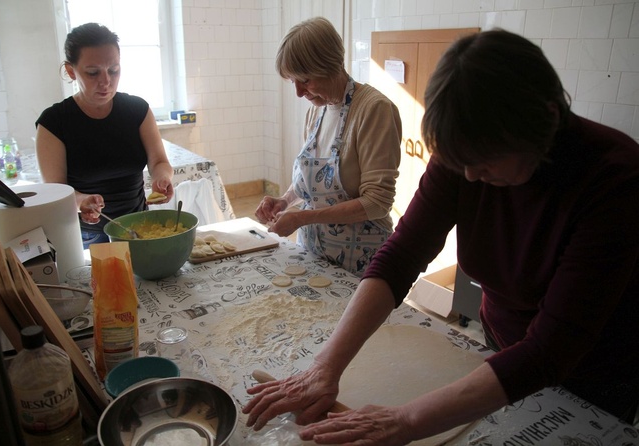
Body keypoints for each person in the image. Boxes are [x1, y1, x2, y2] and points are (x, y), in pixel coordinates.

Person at [243, 29, 639, 444]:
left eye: (480, 163)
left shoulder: (614, 178)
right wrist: (325, 367)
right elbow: (401, 255)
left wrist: (407, 421)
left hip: (590, 373)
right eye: (459, 163)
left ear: (545, 121)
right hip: (499, 346)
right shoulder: (468, 151)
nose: (469, 176)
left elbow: (552, 349)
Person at [254, 17, 402, 275]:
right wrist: (286, 200)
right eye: (293, 82)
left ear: (330, 65)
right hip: (314, 252)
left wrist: (303, 218)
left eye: (306, 80)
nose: (299, 93)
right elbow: (315, 182)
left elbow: (378, 202)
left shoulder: (374, 110)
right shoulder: (317, 112)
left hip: (361, 260)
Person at [35, 23, 174, 248]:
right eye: (93, 73)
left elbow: (159, 162)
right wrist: (81, 202)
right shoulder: (54, 122)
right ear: (71, 71)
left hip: (139, 225)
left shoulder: (137, 110)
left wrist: (163, 178)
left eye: (114, 70)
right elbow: (57, 191)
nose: (106, 81)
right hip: (87, 235)